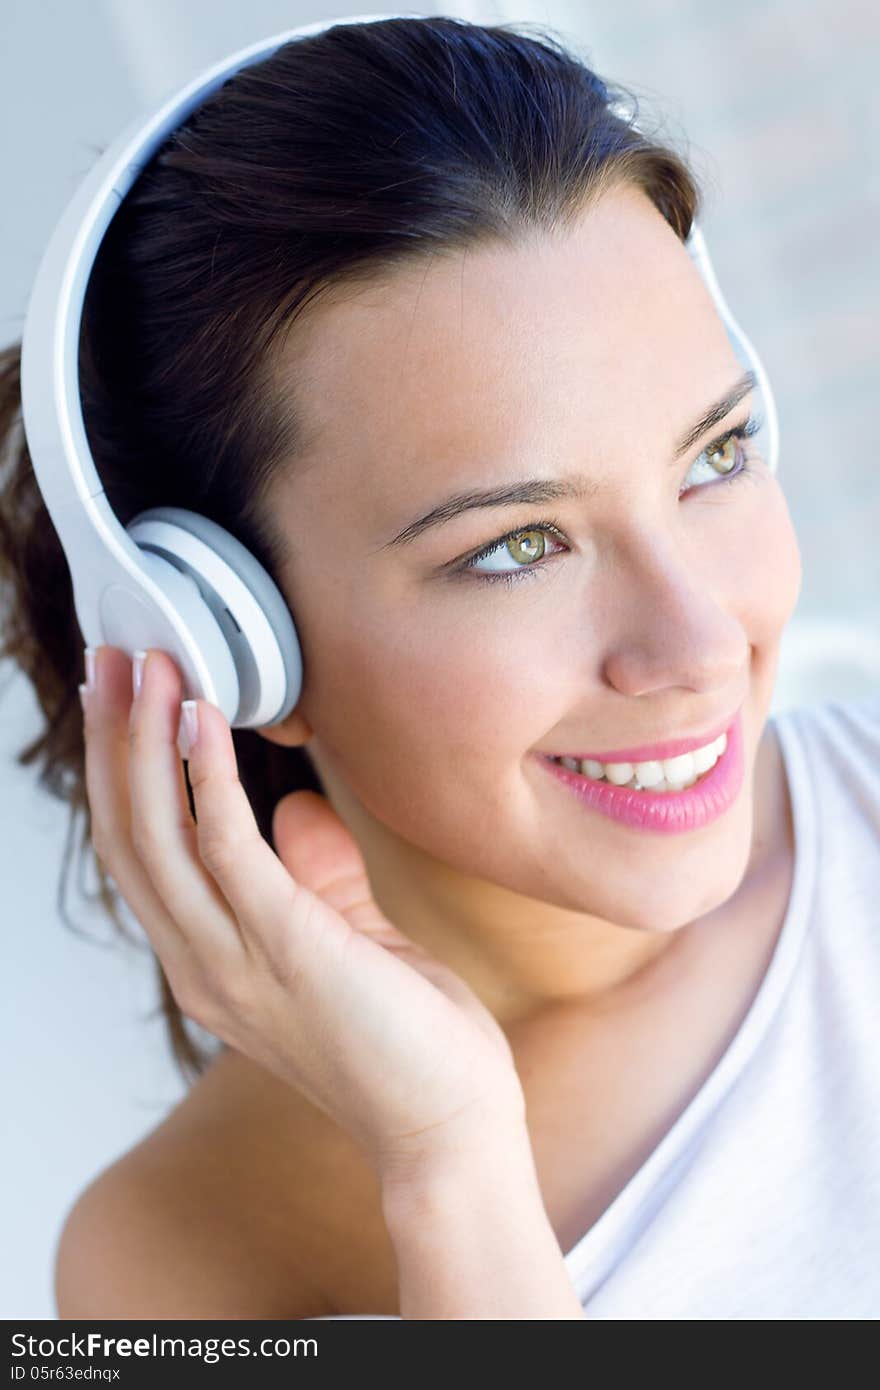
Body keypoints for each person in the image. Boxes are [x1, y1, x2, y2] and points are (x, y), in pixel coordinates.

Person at [1, 15, 878, 1320]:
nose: (699, 643)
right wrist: (450, 1169)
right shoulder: (169, 1267)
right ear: (226, 637)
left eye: (716, 455)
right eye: (520, 543)